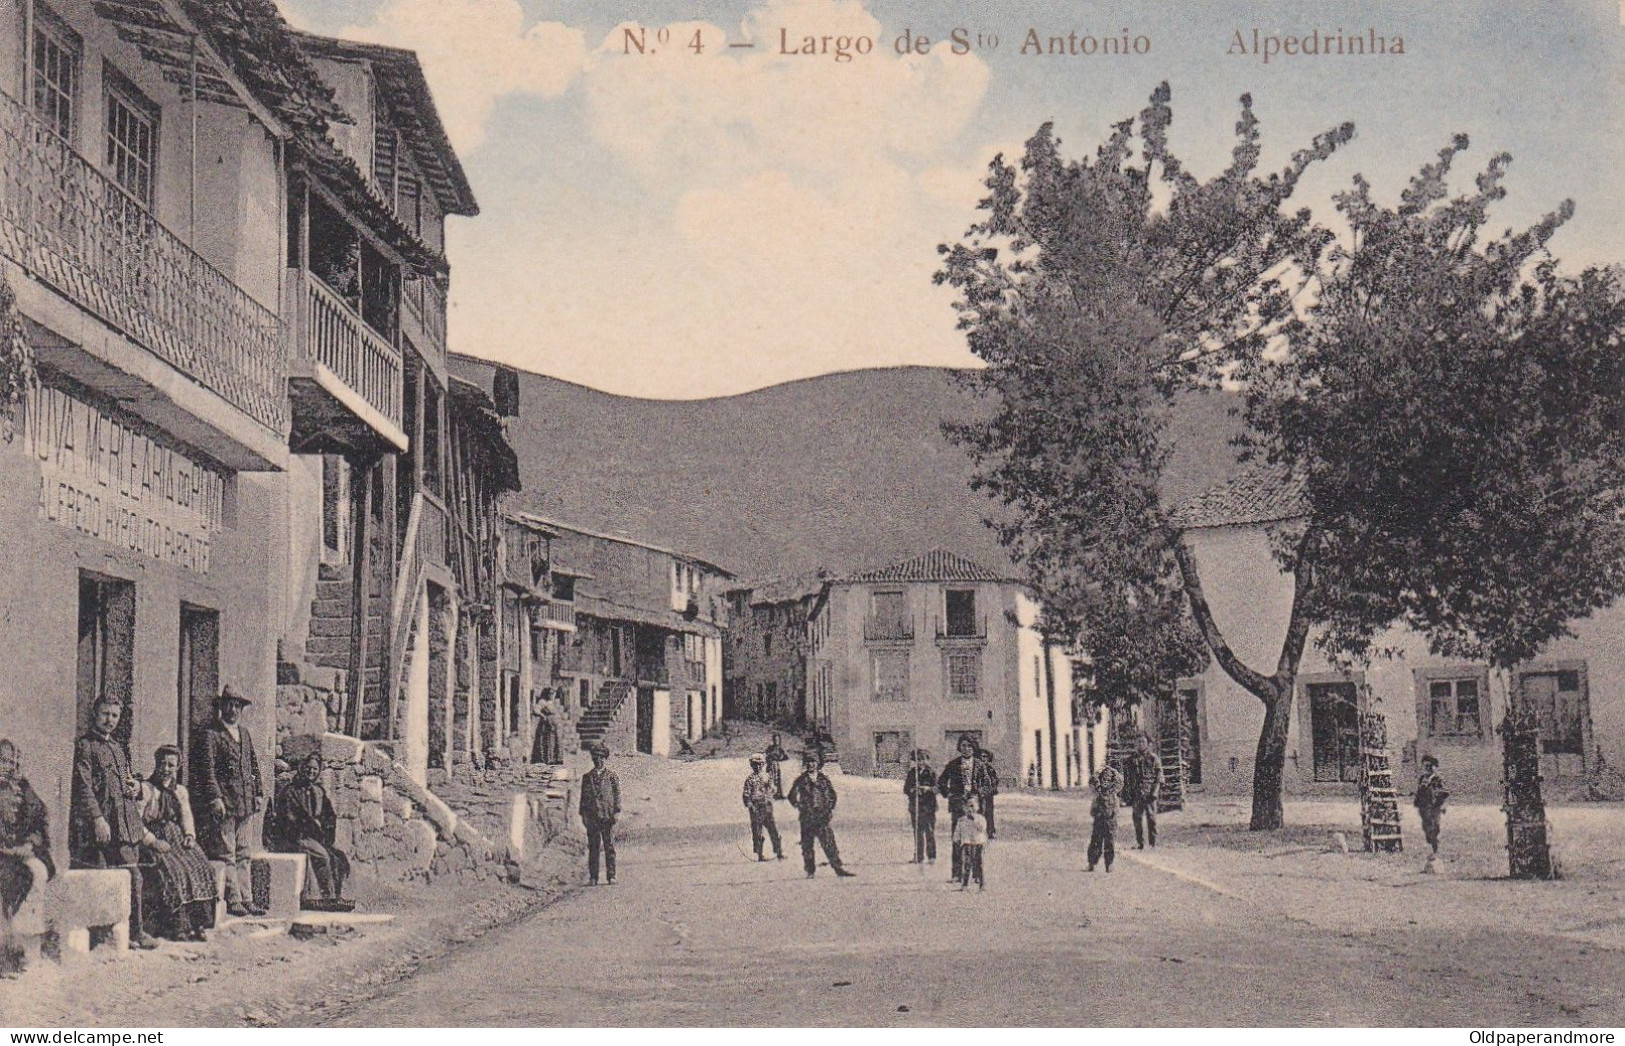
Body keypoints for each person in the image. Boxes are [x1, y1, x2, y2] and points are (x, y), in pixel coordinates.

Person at [71, 698, 158, 948]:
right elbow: (83, 786)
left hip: (125, 823)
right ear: (94, 714)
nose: (110, 720)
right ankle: (116, 935)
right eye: (105, 714)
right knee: (109, 876)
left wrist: (134, 786)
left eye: (115, 716)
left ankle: (136, 932)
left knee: (134, 876)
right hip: (103, 824)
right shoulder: (86, 746)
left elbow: (126, 781)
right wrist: (97, 818)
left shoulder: (118, 748)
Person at [191, 686, 265, 917]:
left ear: (241, 709)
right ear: (221, 707)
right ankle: (233, 899)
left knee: (245, 851)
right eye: (228, 705)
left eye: (236, 706)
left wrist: (259, 791)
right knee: (227, 851)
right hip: (226, 803)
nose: (232, 710)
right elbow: (208, 771)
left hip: (246, 801)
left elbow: (253, 766)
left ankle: (248, 898)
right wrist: (215, 797)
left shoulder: (244, 733)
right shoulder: (212, 735)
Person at [137, 745, 217, 941]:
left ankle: (199, 925)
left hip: (177, 837)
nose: (166, 769)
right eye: (162, 764)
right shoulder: (147, 790)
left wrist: (189, 835)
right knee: (175, 871)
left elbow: (186, 815)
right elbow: (136, 822)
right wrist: (153, 841)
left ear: (178, 767)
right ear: (156, 765)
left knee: (202, 867)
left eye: (171, 765)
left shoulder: (180, 791)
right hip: (156, 839)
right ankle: (177, 927)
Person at [271, 754, 353, 911]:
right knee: (321, 855)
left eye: (315, 769)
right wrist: (309, 827)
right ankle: (320, 897)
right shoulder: (290, 791)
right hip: (296, 836)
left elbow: (330, 817)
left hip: (315, 836)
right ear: (302, 768)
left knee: (338, 857)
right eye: (308, 768)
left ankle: (335, 896)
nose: (311, 772)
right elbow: (288, 818)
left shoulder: (318, 791)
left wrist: (326, 832)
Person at [1, 739, 53, 973]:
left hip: (20, 852)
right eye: (2, 760)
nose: (7, 765)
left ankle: (27, 945)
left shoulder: (23, 787)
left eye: (11, 761)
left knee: (38, 871)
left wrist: (30, 844)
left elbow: (40, 818)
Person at [787, 751, 854, 878]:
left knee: (829, 842)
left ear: (818, 764)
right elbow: (791, 796)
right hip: (807, 817)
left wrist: (829, 810)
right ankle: (810, 871)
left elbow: (832, 796)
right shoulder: (801, 780)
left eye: (813, 762)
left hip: (821, 816)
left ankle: (838, 868)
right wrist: (799, 806)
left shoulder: (824, 780)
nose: (810, 765)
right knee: (807, 844)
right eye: (808, 762)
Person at [936, 737, 994, 881]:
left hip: (975, 807)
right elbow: (942, 781)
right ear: (959, 747)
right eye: (963, 745)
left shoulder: (980, 765)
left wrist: (977, 794)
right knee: (958, 839)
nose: (966, 748)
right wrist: (949, 794)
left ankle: (976, 874)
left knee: (976, 840)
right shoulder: (953, 764)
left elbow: (988, 785)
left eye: (969, 746)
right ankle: (957, 874)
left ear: (974, 748)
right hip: (958, 806)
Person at [579, 741, 621, 885]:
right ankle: (593, 877)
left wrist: (616, 811)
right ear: (592, 759)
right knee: (593, 847)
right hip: (592, 816)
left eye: (601, 758)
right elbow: (583, 798)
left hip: (607, 816)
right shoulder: (587, 777)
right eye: (596, 758)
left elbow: (617, 796)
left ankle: (611, 875)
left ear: (605, 759)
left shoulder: (612, 777)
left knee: (609, 847)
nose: (599, 761)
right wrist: (583, 815)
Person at [1121, 733, 1162, 849]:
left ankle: (1153, 843)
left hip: (1150, 793)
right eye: (1138, 742)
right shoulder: (1131, 760)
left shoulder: (1153, 758)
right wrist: (1126, 795)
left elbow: (1159, 776)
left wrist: (1155, 791)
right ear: (1135, 744)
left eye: (1143, 742)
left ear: (1147, 744)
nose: (1141, 744)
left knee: (1152, 819)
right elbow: (1127, 779)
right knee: (1137, 819)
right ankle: (1140, 843)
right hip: (1137, 794)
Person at [742, 755, 784, 861]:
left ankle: (779, 853)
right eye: (755, 764)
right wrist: (750, 806)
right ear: (752, 766)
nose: (757, 767)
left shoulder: (767, 777)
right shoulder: (749, 780)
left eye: (760, 764)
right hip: (756, 808)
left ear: (763, 765)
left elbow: (773, 790)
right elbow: (746, 795)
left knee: (773, 830)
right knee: (757, 832)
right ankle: (760, 855)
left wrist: (771, 792)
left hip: (766, 807)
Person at [903, 749, 938, 864]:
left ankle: (931, 855)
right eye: (918, 760)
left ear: (928, 760)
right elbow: (906, 789)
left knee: (929, 831)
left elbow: (937, 788)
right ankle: (918, 856)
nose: (921, 762)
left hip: (929, 807)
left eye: (923, 759)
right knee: (917, 831)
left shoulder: (932, 773)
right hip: (916, 807)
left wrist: (928, 789)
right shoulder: (912, 773)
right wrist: (913, 790)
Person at [1415, 754, 1449, 856]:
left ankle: (1435, 845)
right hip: (1424, 806)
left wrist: (1443, 804)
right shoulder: (1422, 779)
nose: (1427, 769)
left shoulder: (1438, 779)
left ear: (1434, 767)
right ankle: (1430, 839)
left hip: (1435, 806)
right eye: (1425, 766)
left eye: (1429, 766)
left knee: (1435, 825)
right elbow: (1418, 792)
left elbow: (1445, 792)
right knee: (1426, 825)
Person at [1087, 767, 1120, 873]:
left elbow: (1116, 810)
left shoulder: (1114, 797)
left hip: (1110, 823)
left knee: (1110, 843)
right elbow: (1092, 810)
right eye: (1103, 780)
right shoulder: (1098, 796)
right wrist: (1098, 814)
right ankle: (1092, 863)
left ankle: (1109, 864)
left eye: (1108, 780)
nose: (1105, 782)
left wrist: (1111, 817)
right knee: (1095, 843)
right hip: (1099, 822)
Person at [953, 795, 988, 891]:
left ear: (977, 807)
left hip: (978, 843)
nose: (970, 809)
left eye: (972, 806)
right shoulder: (962, 820)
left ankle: (982, 884)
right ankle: (965, 884)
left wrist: (974, 819)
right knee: (967, 863)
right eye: (968, 806)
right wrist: (956, 839)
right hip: (967, 843)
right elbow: (958, 831)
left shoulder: (981, 819)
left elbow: (982, 829)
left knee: (979, 863)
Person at [531, 694, 560, 765]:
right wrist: (542, 715)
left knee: (552, 740)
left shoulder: (551, 702)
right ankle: (544, 758)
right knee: (545, 740)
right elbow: (535, 710)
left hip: (553, 723)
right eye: (551, 693)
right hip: (545, 724)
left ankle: (553, 758)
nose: (552, 695)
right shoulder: (542, 702)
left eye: (553, 693)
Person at [978, 748, 1001, 839]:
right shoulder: (977, 769)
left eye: (985, 757)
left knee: (989, 812)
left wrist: (992, 787)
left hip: (988, 793)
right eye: (981, 757)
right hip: (979, 793)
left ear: (988, 758)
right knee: (979, 811)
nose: (983, 759)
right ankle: (979, 831)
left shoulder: (990, 769)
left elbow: (995, 780)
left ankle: (990, 831)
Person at [765, 734, 790, 800]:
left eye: (778, 740)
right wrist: (769, 761)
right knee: (771, 779)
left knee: (778, 779)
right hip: (771, 765)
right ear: (773, 740)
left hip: (776, 765)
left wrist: (779, 759)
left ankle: (779, 794)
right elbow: (766, 756)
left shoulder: (780, 749)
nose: (776, 741)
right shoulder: (770, 748)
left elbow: (786, 757)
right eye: (775, 739)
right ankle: (769, 794)